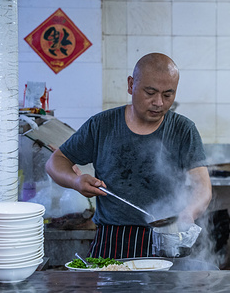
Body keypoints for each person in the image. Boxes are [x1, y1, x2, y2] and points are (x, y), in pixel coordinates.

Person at [45, 53, 212, 259]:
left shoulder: (183, 130)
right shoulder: (101, 126)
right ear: (131, 84)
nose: (159, 102)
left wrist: (189, 212)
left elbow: (202, 187)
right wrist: (76, 180)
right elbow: (55, 162)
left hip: (167, 237)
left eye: (168, 95)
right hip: (112, 240)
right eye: (150, 92)